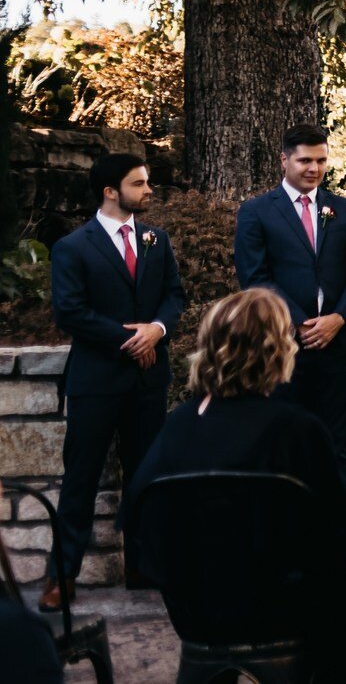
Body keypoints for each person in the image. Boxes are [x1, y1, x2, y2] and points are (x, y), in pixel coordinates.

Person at [127, 290, 346, 665]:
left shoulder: (179, 427)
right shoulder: (299, 430)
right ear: (280, 349)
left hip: (197, 616)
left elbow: (141, 520)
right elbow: (342, 528)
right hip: (284, 612)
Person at [43, 152, 184, 611]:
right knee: (80, 477)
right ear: (110, 191)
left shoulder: (156, 240)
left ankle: (143, 565)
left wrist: (156, 330)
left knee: (146, 474)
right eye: (139, 184)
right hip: (97, 381)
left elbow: (174, 297)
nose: (148, 191)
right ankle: (61, 576)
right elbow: (70, 312)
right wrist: (131, 340)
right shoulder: (73, 247)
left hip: (147, 382)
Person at [233, 124, 346, 462]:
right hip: (282, 345)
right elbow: (254, 278)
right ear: (284, 160)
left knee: (334, 443)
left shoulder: (344, 209)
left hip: (335, 345)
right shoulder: (257, 211)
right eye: (305, 161)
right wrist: (300, 322)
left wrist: (338, 319)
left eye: (321, 161)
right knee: (283, 440)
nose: (314, 169)